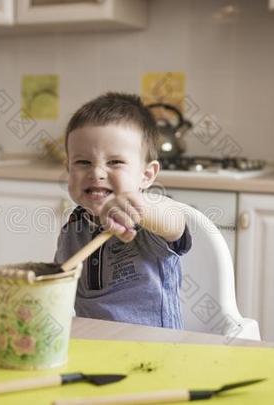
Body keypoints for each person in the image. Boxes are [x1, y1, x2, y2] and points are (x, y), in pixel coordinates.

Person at [54, 92, 191, 329]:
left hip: (153, 349)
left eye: (115, 162)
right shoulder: (73, 229)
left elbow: (174, 222)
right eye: (82, 162)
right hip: (91, 346)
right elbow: (59, 290)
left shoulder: (149, 221)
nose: (96, 173)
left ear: (147, 175)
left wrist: (140, 209)